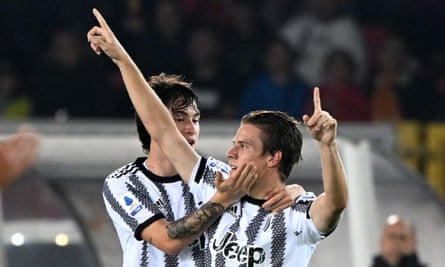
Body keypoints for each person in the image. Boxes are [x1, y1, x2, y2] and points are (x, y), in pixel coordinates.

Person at [88, 8, 348, 266]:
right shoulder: (216, 186)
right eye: (234, 144)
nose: (229, 153)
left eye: (243, 146)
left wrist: (326, 147)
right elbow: (163, 131)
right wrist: (121, 58)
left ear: (272, 157)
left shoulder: (292, 210)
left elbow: (335, 204)